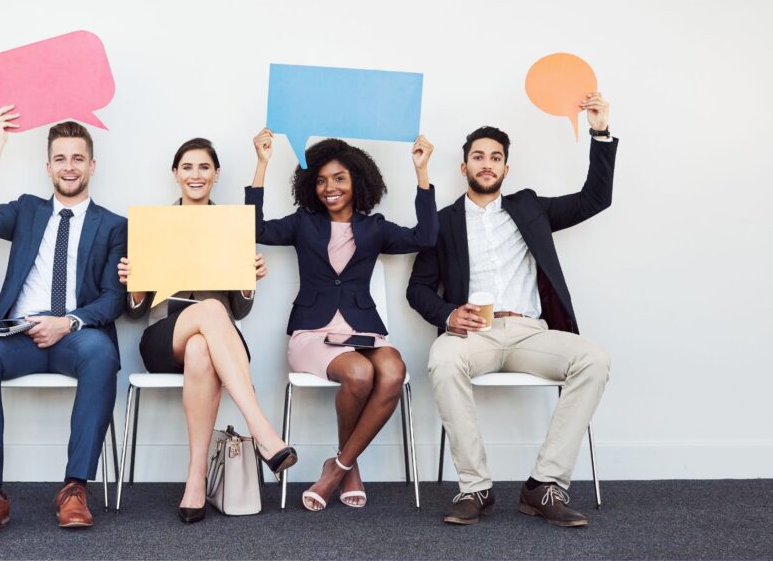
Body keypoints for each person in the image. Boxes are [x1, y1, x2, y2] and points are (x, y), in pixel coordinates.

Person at [406, 93, 615, 527]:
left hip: (529, 333)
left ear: (505, 168)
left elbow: (595, 199)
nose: (487, 164)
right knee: (442, 360)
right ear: (463, 167)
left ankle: (543, 485)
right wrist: (448, 314)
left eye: (495, 157)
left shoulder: (530, 208)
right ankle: (474, 487)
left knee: (593, 359)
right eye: (478, 157)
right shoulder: (442, 223)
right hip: (473, 335)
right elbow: (418, 288)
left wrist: (599, 131)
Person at [0, 105, 126, 537]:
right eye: (61, 158)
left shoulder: (113, 225)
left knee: (101, 354)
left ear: (92, 164)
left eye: (77, 158)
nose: (69, 167)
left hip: (76, 335)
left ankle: (74, 488)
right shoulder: (28, 211)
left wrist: (68, 321)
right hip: (19, 335)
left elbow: (113, 298)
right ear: (48, 165)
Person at [246, 129, 438, 511]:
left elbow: (427, 237)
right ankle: (348, 470)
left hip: (364, 329)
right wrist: (261, 165)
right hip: (313, 333)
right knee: (360, 375)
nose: (329, 187)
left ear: (358, 182)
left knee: (393, 372)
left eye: (339, 178)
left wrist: (422, 172)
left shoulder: (375, 227)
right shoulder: (304, 223)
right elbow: (255, 230)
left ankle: (338, 465)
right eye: (320, 180)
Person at [117, 138, 297, 524]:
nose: (195, 175)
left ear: (216, 175)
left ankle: (195, 482)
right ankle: (262, 430)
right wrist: (133, 283)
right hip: (163, 338)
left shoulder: (231, 225)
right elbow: (134, 313)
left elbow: (241, 309)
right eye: (187, 167)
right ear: (175, 174)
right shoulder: (153, 226)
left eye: (203, 167)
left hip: (215, 346)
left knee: (203, 344)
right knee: (210, 309)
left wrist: (249, 281)